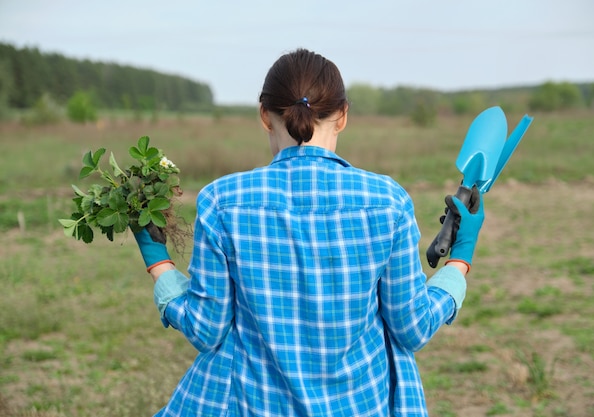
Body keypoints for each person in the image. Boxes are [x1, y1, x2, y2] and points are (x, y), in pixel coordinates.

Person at [133, 48, 484, 416]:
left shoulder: (222, 202)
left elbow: (206, 330)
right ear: (343, 116)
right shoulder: (387, 202)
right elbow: (412, 328)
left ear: (265, 116)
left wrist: (158, 261)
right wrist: (460, 257)